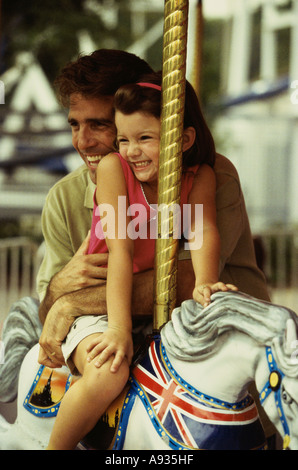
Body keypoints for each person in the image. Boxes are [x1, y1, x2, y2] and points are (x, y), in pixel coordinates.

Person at [36, 49, 270, 370]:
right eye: (75, 125)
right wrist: (58, 289)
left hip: (227, 353)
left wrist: (71, 303)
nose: (82, 142)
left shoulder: (211, 175)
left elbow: (187, 279)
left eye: (99, 125)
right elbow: (46, 314)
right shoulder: (64, 197)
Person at [46, 75, 238, 449]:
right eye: (123, 139)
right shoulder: (114, 171)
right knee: (107, 374)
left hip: (151, 310)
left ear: (183, 140)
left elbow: (203, 231)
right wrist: (117, 328)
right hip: (101, 305)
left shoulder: (200, 177)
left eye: (145, 138)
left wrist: (205, 282)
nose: (132, 151)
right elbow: (121, 252)